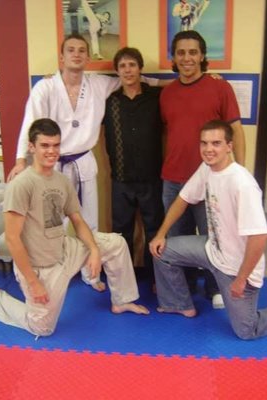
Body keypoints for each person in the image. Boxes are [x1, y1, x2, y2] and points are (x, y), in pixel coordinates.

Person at [7, 33, 162, 292]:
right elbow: (30, 123)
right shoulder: (45, 88)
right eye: (71, 50)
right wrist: (21, 159)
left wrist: (176, 83)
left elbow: (135, 79)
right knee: (53, 224)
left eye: (82, 50)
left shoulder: (99, 83)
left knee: (88, 222)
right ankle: (53, 273)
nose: (77, 54)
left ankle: (91, 273)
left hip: (84, 161)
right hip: (52, 166)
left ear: (88, 57)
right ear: (62, 56)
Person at [0, 118, 149, 337]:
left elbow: (77, 220)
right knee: (43, 328)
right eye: (45, 146)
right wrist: (33, 282)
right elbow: (12, 239)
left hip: (65, 250)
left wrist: (95, 250)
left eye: (56, 145)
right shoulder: (21, 185)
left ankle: (122, 300)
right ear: (31, 147)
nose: (52, 151)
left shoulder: (61, 180)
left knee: (115, 243)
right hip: (42, 267)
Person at [149, 120, 267, 340]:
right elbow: (183, 199)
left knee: (247, 331)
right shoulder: (207, 169)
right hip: (212, 251)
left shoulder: (242, 183)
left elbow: (259, 237)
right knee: (161, 251)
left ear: (229, 146)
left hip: (236, 269)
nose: (209, 149)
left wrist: (241, 279)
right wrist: (161, 234)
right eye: (204, 143)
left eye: (216, 143)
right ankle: (178, 303)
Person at [160, 30, 246, 308]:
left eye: (193, 52)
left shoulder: (220, 88)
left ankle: (215, 287)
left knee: (216, 237)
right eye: (181, 52)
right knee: (176, 238)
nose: (187, 58)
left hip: (213, 181)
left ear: (202, 56)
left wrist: (238, 172)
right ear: (174, 57)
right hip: (173, 179)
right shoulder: (167, 93)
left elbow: (235, 130)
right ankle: (182, 288)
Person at [103, 47, 164, 285]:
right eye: (122, 66)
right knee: (120, 233)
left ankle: (156, 280)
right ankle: (123, 281)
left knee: (154, 230)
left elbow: (178, 88)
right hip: (120, 179)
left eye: (132, 65)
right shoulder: (109, 102)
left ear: (140, 69)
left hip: (151, 178)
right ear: (117, 71)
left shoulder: (156, 97)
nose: (128, 70)